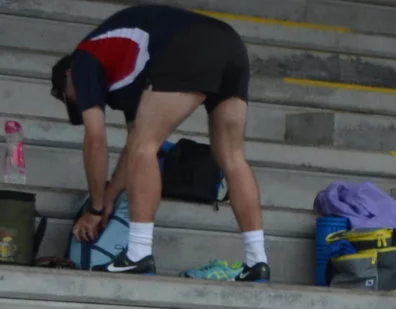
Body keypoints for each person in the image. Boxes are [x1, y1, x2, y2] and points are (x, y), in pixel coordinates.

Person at [51, 7, 266, 278]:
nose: (79, 101)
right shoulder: (125, 71)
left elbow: (95, 140)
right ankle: (257, 261)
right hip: (231, 45)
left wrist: (94, 208)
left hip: (190, 41)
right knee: (232, 157)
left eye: (69, 97)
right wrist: (108, 198)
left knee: (145, 148)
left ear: (68, 77)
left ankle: (138, 253)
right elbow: (132, 144)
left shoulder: (83, 59)